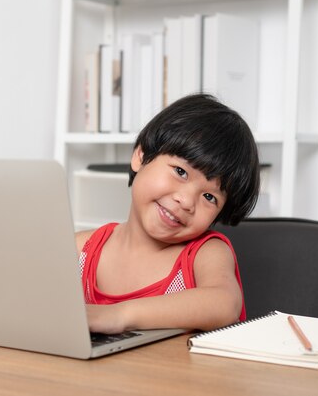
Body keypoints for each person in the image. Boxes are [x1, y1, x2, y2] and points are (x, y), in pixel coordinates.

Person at [76, 93, 260, 334]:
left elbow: (225, 303)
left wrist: (119, 314)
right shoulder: (81, 250)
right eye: (181, 172)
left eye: (209, 197)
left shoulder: (204, 253)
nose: (186, 201)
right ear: (140, 157)